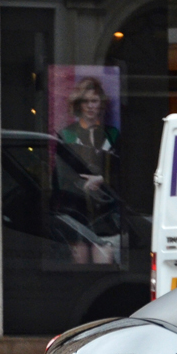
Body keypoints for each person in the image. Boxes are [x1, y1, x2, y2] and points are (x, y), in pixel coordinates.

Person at [57, 77, 121, 264]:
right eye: (86, 101)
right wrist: (82, 185)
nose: (91, 106)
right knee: (80, 268)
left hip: (106, 213)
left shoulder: (112, 135)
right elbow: (62, 175)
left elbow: (121, 172)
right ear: (79, 104)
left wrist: (102, 179)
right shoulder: (67, 134)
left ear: (101, 104)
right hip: (77, 210)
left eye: (95, 101)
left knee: (104, 267)